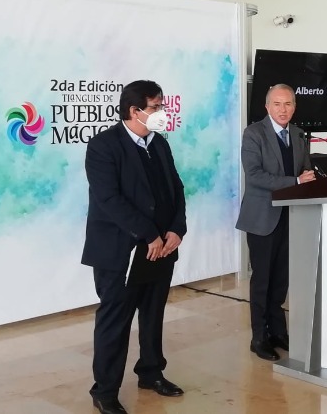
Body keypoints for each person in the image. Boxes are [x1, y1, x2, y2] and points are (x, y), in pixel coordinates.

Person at [82, 80, 187, 414]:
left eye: (161, 106)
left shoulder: (160, 144)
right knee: (115, 319)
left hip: (162, 247)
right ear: (134, 110)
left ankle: (151, 373)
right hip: (121, 249)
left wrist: (176, 229)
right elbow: (109, 199)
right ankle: (105, 390)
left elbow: (176, 189)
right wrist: (149, 234)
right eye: (156, 107)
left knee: (153, 314)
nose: (162, 112)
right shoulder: (103, 146)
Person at [236, 83, 315, 361]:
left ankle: (278, 332)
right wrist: (295, 182)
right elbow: (255, 175)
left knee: (281, 279)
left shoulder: (298, 134)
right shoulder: (254, 133)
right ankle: (259, 337)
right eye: (277, 104)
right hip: (262, 217)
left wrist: (309, 179)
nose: (283, 110)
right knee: (262, 280)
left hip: (291, 217)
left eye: (288, 104)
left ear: (294, 107)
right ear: (267, 106)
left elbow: (306, 170)